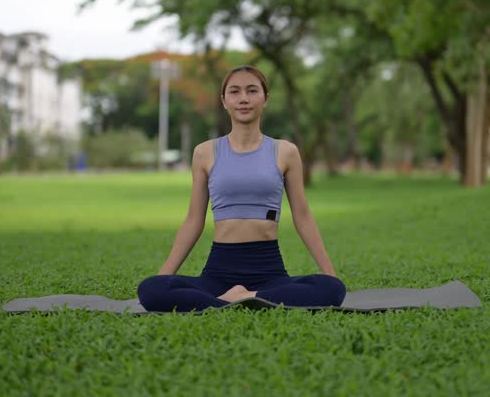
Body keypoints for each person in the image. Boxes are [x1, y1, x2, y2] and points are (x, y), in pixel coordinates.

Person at [137, 65, 346, 312]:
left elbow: (303, 217)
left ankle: (248, 296)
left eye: (252, 90)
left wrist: (331, 275)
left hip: (270, 272)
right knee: (150, 290)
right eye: (235, 92)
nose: (244, 99)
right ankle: (241, 299)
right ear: (224, 100)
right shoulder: (204, 153)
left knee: (332, 289)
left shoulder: (285, 152)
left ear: (265, 98)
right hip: (217, 274)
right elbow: (194, 220)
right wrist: (164, 279)